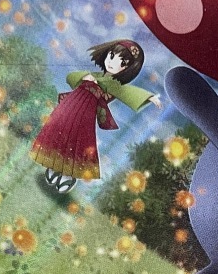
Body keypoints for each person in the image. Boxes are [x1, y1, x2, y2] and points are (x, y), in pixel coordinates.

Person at [30, 39, 161, 193]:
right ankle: (54, 166)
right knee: (59, 135)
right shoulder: (94, 75)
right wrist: (85, 76)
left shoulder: (115, 86)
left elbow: (129, 93)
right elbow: (71, 77)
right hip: (68, 109)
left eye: (122, 62)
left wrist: (149, 97)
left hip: (84, 117)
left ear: (127, 69)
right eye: (112, 55)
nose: (112, 62)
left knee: (77, 144)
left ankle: (68, 175)